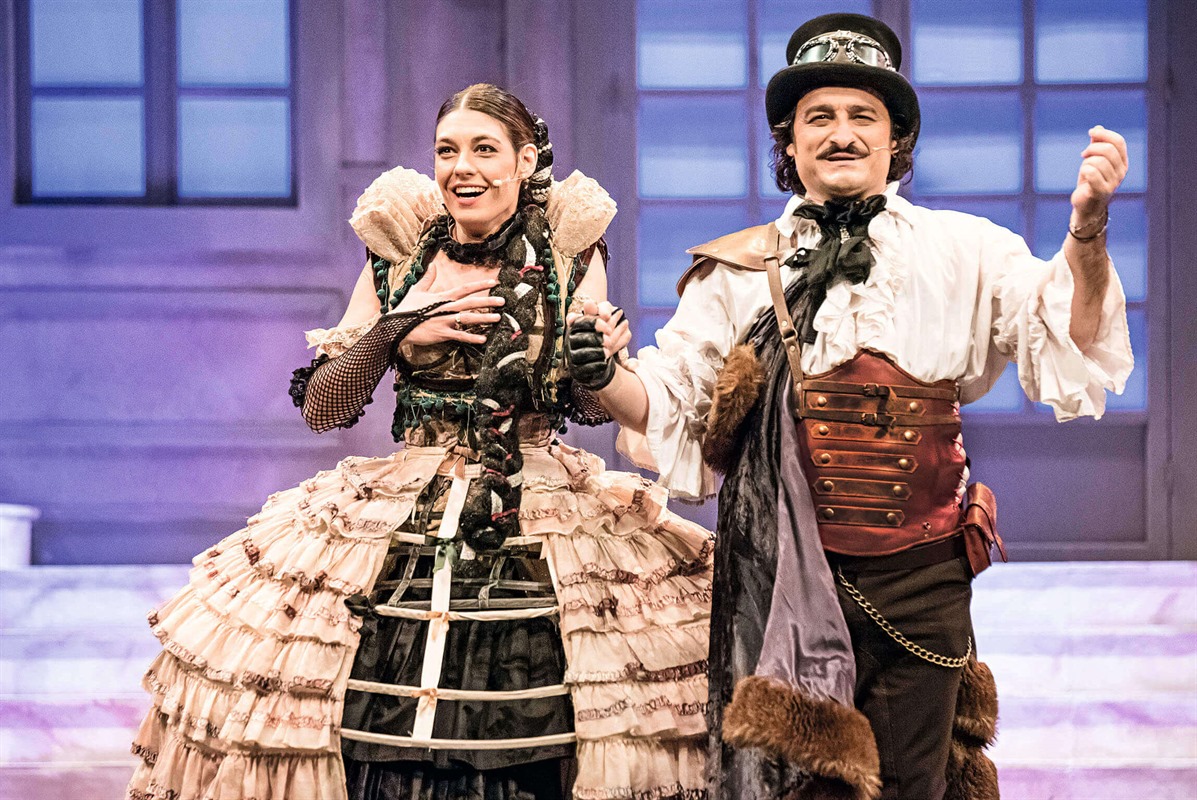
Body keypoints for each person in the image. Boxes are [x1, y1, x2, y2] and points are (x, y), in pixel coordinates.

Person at [566, 13, 1132, 800]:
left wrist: (1088, 232)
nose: (841, 135)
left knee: (909, 784)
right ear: (789, 143)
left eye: (862, 116)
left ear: (894, 140)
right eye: (819, 118)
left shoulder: (967, 249)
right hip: (782, 579)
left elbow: (1067, 336)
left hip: (921, 578)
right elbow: (666, 401)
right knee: (795, 788)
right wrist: (599, 372)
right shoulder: (734, 272)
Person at [127, 83, 712, 800]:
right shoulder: (400, 250)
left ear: (526, 161)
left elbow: (588, 404)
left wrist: (597, 360)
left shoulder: (569, 248)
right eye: (447, 150)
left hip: (534, 497)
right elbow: (325, 407)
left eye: (485, 150)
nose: (463, 168)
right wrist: (397, 327)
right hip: (406, 496)